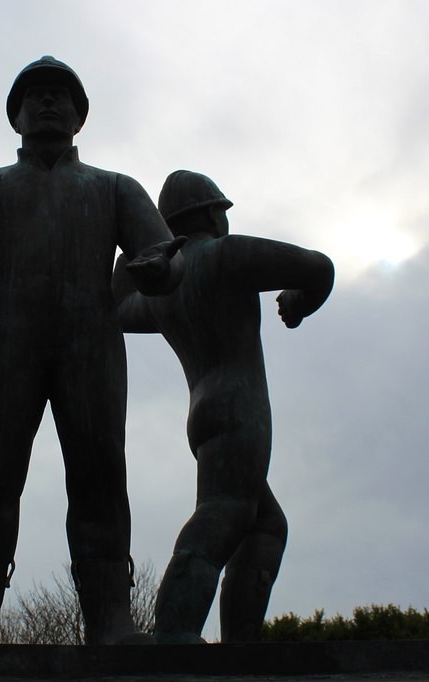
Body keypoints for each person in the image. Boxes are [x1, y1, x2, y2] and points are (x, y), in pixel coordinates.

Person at [0, 56, 185, 645]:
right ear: (14, 117)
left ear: (79, 117)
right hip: (4, 340)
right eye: (34, 95)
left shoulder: (114, 188)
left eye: (60, 95)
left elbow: (164, 252)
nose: (46, 102)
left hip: (91, 341)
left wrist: (159, 268)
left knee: (100, 478)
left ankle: (111, 620)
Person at [112, 171, 333, 643]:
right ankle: (174, 636)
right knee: (225, 513)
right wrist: (298, 302)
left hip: (204, 413)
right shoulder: (226, 255)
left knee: (266, 525)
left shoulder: (163, 289)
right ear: (214, 215)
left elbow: (119, 310)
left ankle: (240, 645)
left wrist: (128, 251)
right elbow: (319, 269)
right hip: (239, 408)